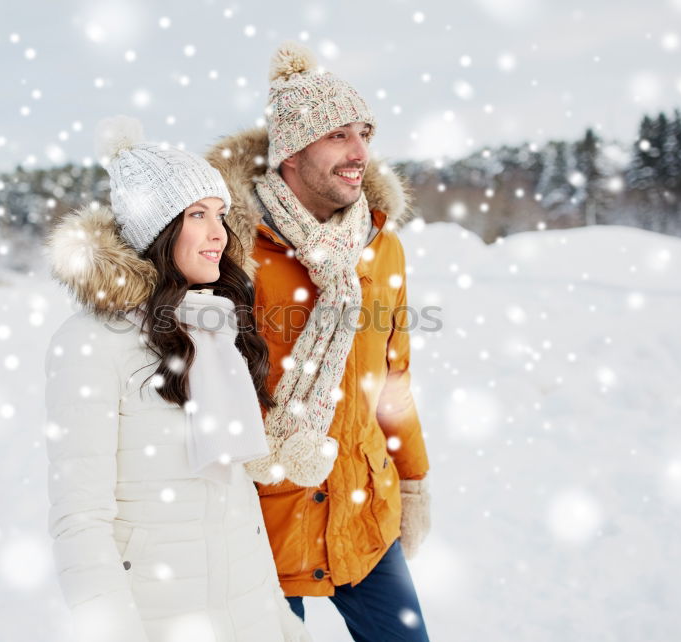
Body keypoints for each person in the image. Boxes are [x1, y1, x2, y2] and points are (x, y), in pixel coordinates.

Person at [42, 116, 310, 642]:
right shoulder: (89, 343)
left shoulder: (216, 325)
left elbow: (238, 501)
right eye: (197, 215)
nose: (220, 234)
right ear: (157, 231)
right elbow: (81, 519)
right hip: (165, 617)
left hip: (249, 614)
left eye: (222, 215)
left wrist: (281, 623)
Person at [204, 42, 432, 641]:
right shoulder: (230, 252)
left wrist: (412, 479)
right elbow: (198, 390)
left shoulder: (381, 247)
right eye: (337, 135)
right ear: (291, 153)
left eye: (365, 132)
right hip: (263, 526)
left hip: (366, 517)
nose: (360, 153)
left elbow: (392, 378)